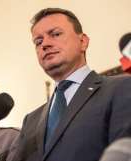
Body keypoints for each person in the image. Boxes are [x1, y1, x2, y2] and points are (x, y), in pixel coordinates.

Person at [7, 8, 131, 161]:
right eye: (38, 42)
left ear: (83, 41)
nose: (44, 44)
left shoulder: (121, 88)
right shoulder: (31, 120)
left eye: (55, 34)